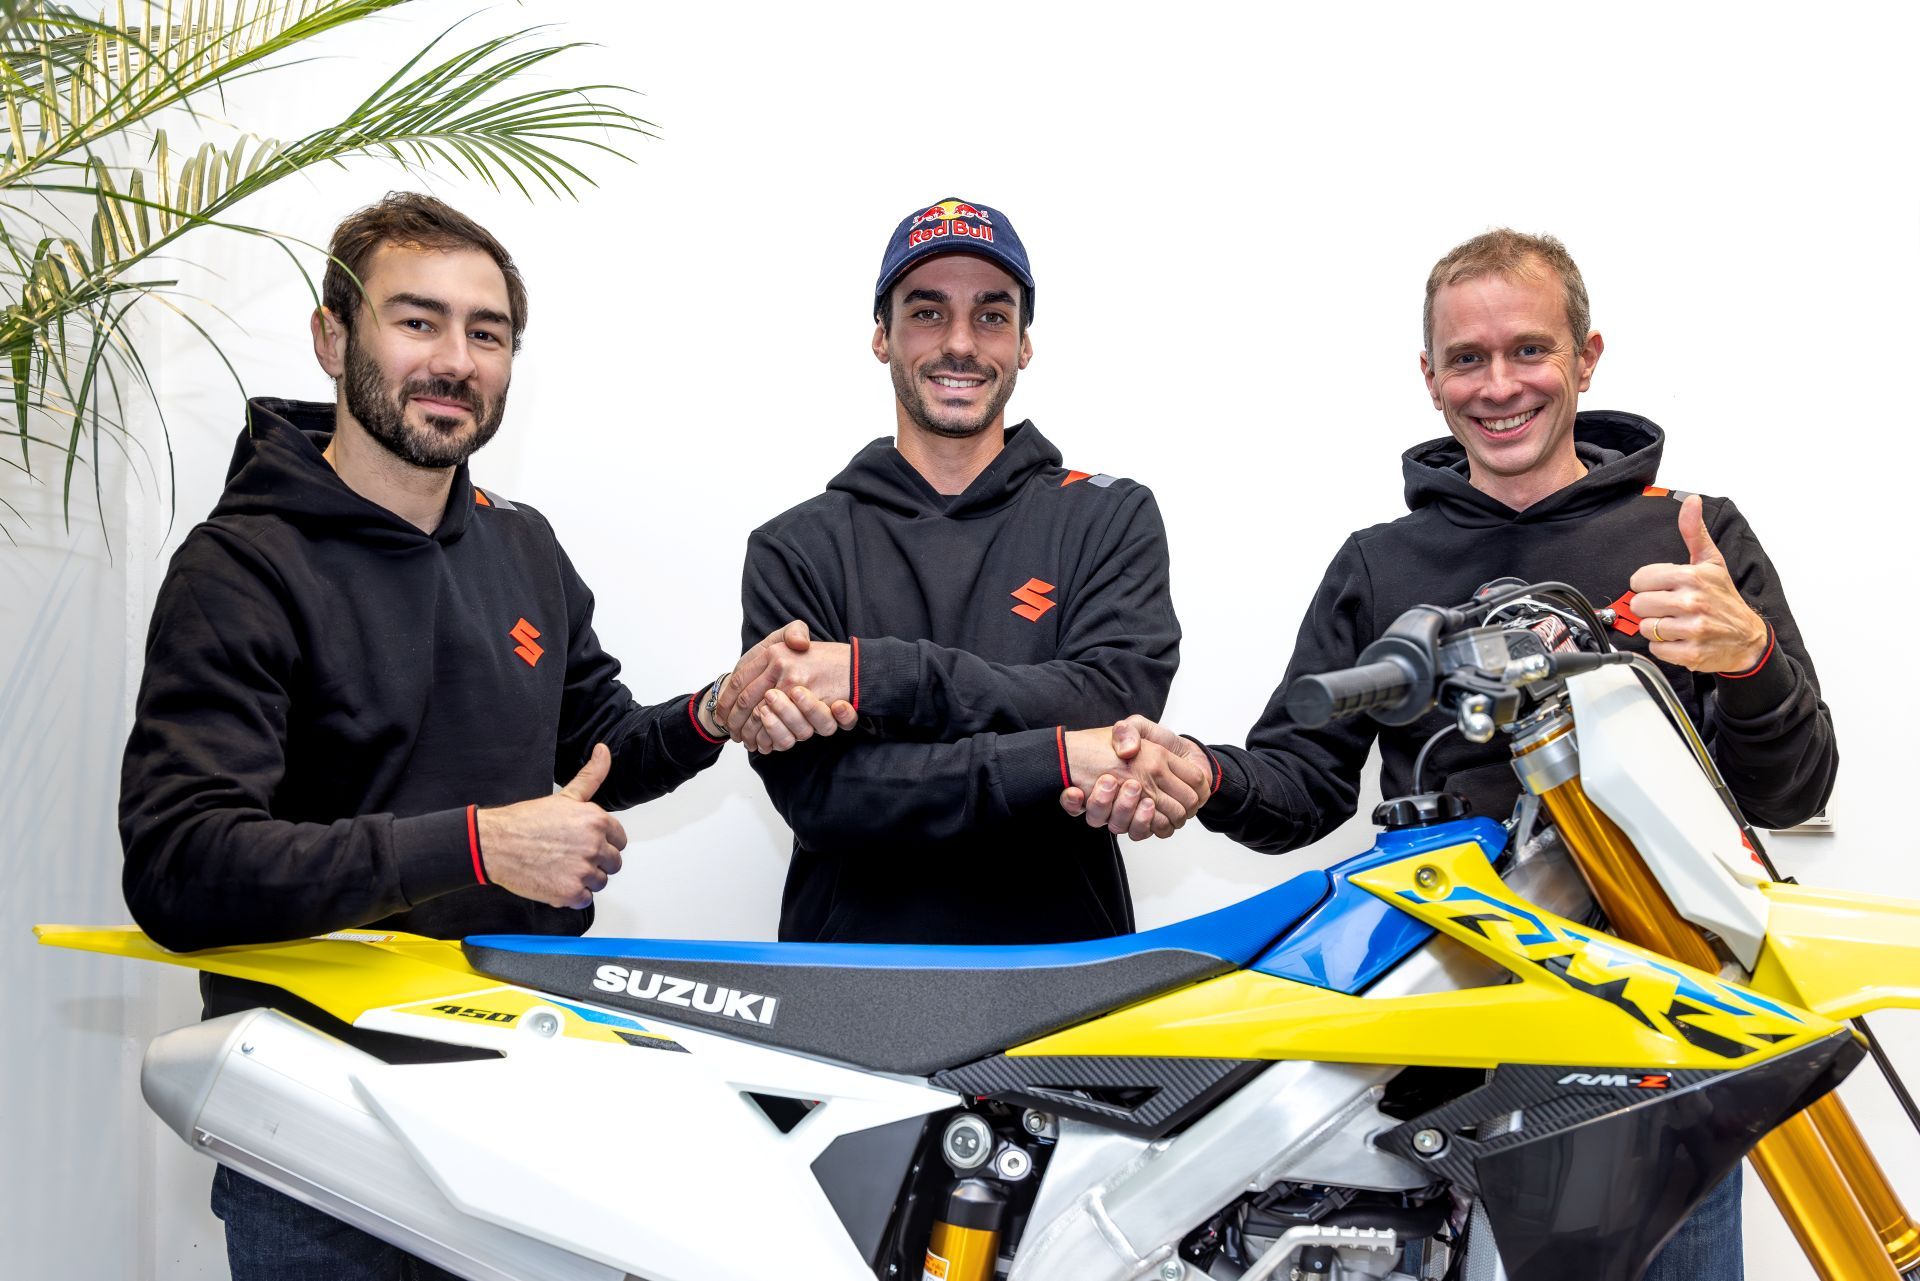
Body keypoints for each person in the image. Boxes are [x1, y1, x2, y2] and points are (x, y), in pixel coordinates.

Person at [1065, 228, 1838, 1280]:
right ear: (1429, 378)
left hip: (1662, 1057)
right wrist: (1205, 773)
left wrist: (1749, 660)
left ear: (1587, 357)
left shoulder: (1689, 538)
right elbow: (1301, 783)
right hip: (1441, 1062)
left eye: (1529, 350)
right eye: (1467, 359)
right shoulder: (1381, 564)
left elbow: (1794, 787)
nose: (1499, 385)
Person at [118, 192, 836, 1280]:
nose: (455, 360)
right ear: (331, 338)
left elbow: (594, 750)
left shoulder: (521, 545)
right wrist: (481, 845)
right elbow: (182, 867)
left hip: (525, 1107)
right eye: (418, 321)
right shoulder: (240, 568)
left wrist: (711, 714)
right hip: (324, 1139)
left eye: (486, 333)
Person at [712, 195, 1210, 945]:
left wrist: (868, 676)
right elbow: (825, 798)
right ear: (881, 336)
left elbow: (1115, 709)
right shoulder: (797, 546)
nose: (960, 344)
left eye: (991, 315)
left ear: (1024, 343)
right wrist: (1056, 756)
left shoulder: (1108, 516)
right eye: (926, 312)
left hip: (1067, 972)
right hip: (849, 977)